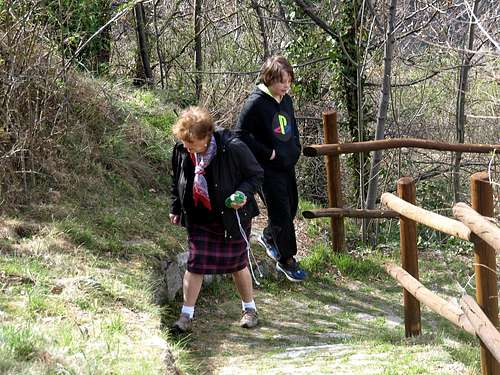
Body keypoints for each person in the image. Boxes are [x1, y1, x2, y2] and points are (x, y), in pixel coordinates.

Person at [169, 106, 264, 333]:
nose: (185, 147)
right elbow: (177, 180)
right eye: (184, 141)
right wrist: (175, 207)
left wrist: (242, 194)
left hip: (231, 216)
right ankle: (186, 316)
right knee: (196, 262)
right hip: (200, 216)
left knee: (237, 263)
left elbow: (256, 175)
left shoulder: (232, 147)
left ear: (206, 137)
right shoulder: (183, 151)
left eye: (190, 142)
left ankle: (249, 310)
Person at [234, 55, 307, 282]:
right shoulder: (255, 103)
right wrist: (268, 153)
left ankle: (268, 236)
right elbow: (240, 135)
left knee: (292, 207)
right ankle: (287, 260)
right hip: (266, 169)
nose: (286, 85)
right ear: (269, 79)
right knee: (281, 213)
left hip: (287, 165)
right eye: (282, 81)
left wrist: (295, 147)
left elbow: (291, 128)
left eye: (289, 81)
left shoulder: (286, 100)